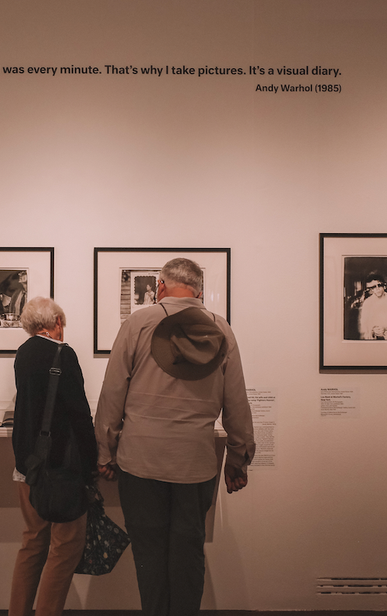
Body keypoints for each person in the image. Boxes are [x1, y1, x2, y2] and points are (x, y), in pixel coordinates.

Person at [95, 258, 254, 616]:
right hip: (195, 466)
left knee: (149, 555)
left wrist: (105, 451)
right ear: (199, 291)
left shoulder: (138, 323)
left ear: (160, 286)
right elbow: (237, 403)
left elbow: (112, 393)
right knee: (188, 553)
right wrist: (237, 460)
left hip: (140, 463)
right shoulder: (221, 330)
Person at [9, 297, 97, 616]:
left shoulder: (23, 353)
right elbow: (79, 414)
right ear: (57, 322)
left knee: (32, 544)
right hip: (60, 468)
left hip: (26, 467)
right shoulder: (63, 353)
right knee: (65, 549)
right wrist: (92, 462)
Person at [358, 271, 387, 340]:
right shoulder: (367, 303)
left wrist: (385, 328)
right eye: (374, 287)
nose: (377, 289)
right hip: (371, 339)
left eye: (379, 285)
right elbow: (363, 323)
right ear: (371, 289)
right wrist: (372, 329)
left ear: (384, 286)